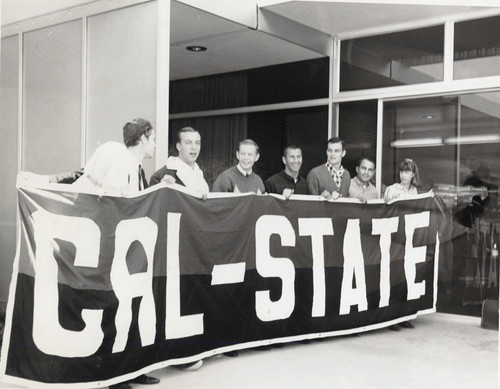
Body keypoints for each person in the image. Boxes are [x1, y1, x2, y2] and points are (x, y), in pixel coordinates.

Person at [74, 119, 160, 388]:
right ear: (143, 139)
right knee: (113, 310)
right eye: (153, 137)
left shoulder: (138, 170)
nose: (155, 143)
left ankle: (132, 369)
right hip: (112, 252)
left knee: (133, 308)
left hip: (132, 253)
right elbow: (96, 193)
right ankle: (113, 374)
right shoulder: (116, 159)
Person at [384, 158, 419, 331]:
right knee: (394, 277)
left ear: (413, 174)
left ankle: (404, 315)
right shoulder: (391, 189)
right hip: (394, 239)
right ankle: (392, 317)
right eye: (402, 171)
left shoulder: (415, 192)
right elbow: (383, 212)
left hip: (409, 238)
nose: (404, 175)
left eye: (407, 171)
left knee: (407, 277)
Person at [149, 126, 209, 198]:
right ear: (178, 147)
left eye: (197, 143)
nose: (194, 147)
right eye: (188, 143)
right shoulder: (160, 176)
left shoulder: (201, 174)